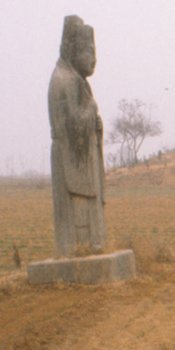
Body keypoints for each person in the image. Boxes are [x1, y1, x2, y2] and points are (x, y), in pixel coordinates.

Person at [48, 15, 106, 257]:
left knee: (88, 207)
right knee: (77, 208)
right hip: (70, 159)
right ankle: (80, 250)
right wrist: (92, 110)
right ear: (73, 49)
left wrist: (97, 126)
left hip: (83, 159)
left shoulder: (77, 80)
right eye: (89, 52)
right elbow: (73, 125)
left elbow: (84, 122)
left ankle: (90, 247)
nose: (93, 60)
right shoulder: (65, 80)